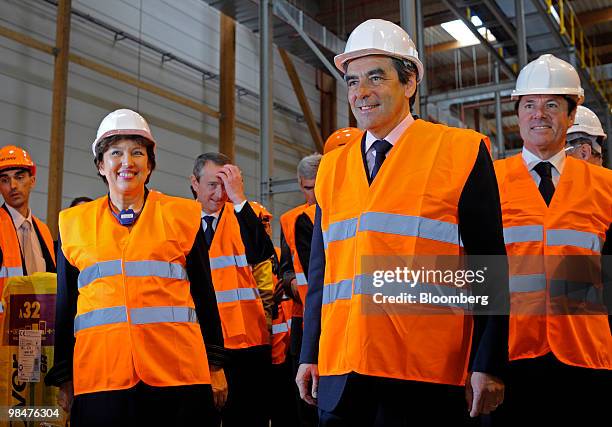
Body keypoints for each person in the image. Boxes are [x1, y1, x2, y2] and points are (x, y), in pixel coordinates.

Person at [296, 19, 509, 426]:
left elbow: (489, 267)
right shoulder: (332, 168)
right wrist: (310, 353)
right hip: (342, 370)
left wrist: (490, 361)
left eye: (376, 77)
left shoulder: (459, 152)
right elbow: (322, 275)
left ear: (410, 83)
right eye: (353, 80)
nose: (361, 92)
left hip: (424, 374)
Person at [47, 109, 227, 426]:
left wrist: (214, 364)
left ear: (150, 165)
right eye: (115, 152)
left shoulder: (182, 216)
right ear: (101, 165)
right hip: (101, 377)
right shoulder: (73, 223)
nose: (127, 162)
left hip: (177, 375)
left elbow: (203, 294)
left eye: (137, 152)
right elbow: (66, 306)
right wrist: (65, 375)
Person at [492, 54, 612, 426]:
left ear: (571, 115)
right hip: (510, 356)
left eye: (551, 105)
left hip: (587, 357)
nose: (538, 114)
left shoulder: (605, 187)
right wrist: (478, 362)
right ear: (517, 113)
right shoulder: (488, 182)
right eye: (528, 104)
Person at [190, 152, 275, 427]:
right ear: (195, 183)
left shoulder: (248, 214)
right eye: (212, 185)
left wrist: (239, 199)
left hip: (246, 341)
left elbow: (262, 251)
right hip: (198, 341)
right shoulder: (179, 220)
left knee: (248, 417)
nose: (219, 193)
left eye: (225, 184)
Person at [279, 154, 322, 427]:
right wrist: (292, 283)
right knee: (304, 401)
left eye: (318, 186)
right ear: (299, 184)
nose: (314, 195)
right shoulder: (291, 220)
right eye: (308, 188)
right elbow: (285, 267)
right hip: (302, 319)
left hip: (330, 316)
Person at [0, 145, 56, 297]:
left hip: (42, 319)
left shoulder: (44, 231)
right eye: (5, 180)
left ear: (32, 181)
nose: (13, 186)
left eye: (19, 177)